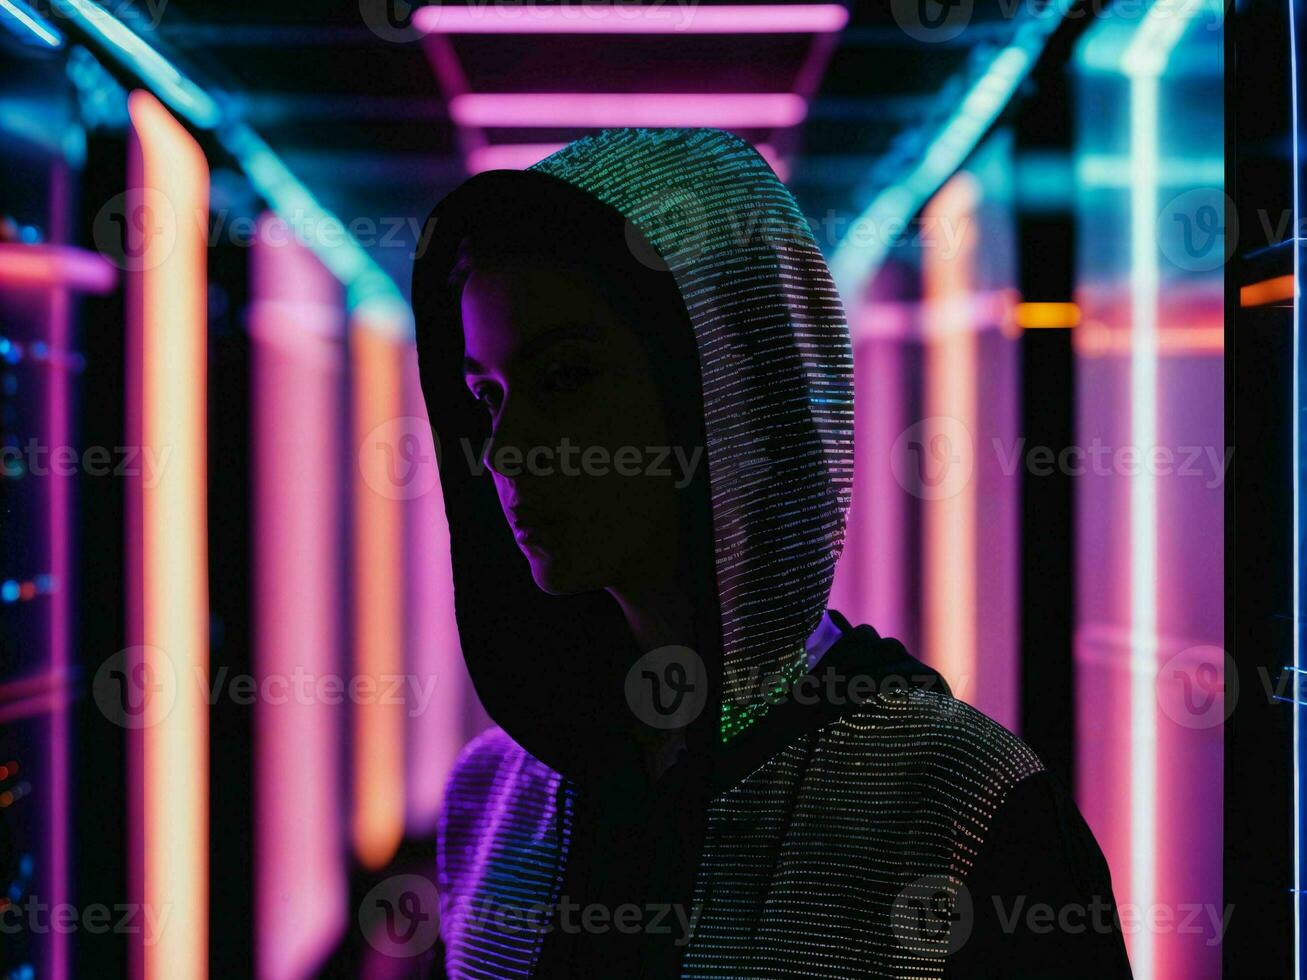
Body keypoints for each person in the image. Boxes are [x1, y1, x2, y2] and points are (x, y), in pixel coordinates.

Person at [411, 126, 1132, 979]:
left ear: (733, 387)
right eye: (486, 397)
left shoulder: (955, 802)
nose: (504, 450)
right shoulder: (493, 797)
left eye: (565, 378)